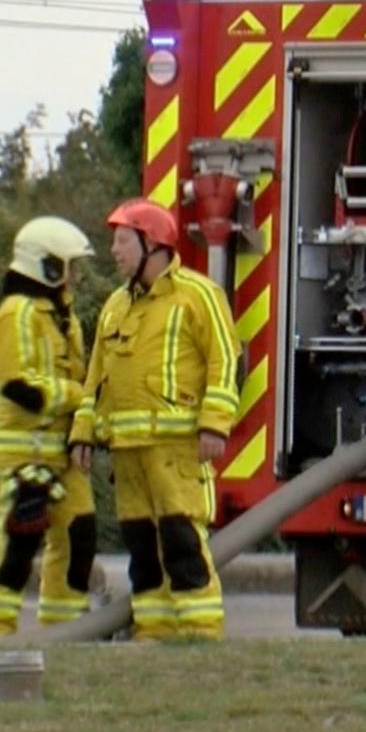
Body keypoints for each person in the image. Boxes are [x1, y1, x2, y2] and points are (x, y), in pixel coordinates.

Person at [70, 200, 239, 641]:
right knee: (141, 544)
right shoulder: (114, 305)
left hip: (177, 450)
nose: (114, 251)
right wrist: (83, 433)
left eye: (123, 241)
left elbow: (225, 361)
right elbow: (97, 379)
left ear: (153, 244)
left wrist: (214, 425)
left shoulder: (197, 295)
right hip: (128, 455)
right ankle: (154, 627)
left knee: (181, 536)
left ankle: (199, 629)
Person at [0, 217, 99, 637]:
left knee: (79, 533)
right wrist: (77, 395)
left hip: (61, 451)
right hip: (25, 452)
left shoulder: (62, 315)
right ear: (47, 265)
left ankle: (64, 628)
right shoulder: (16, 315)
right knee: (17, 541)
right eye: (70, 266)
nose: (75, 276)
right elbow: (17, 385)